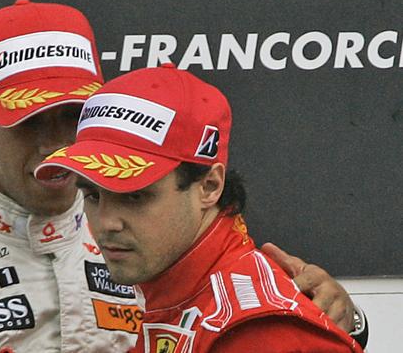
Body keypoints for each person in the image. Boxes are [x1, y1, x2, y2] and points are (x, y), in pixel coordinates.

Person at [0, 0, 366, 353]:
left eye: (73, 116)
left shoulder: (157, 237)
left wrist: (340, 321)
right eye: (29, 120)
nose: (56, 142)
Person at [35, 63, 365, 352]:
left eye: (134, 196)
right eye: (92, 195)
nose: (106, 223)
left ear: (209, 186)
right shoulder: (172, 290)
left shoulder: (256, 333)